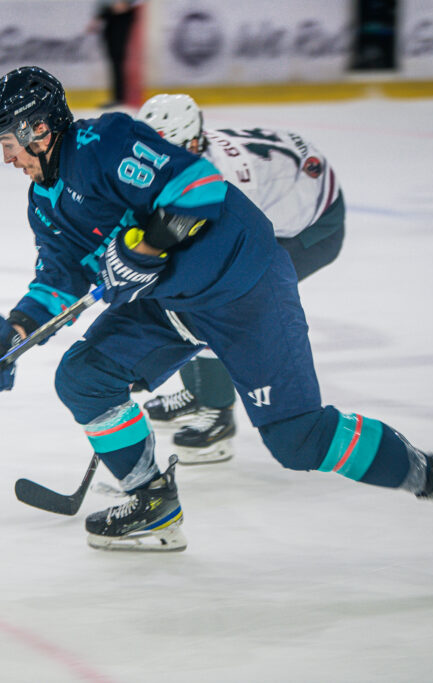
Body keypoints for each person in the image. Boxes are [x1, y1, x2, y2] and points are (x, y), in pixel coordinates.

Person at [0, 65, 433, 560]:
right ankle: (152, 502)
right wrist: (11, 334)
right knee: (84, 377)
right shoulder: (44, 201)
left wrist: (142, 249)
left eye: (8, 143)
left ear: (39, 130)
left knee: (298, 439)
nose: (8, 158)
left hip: (244, 288)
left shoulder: (105, 143)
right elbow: (59, 280)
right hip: (174, 302)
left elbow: (198, 188)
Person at [135, 94, 345, 465]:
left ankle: (217, 415)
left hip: (314, 225)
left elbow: (217, 265)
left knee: (214, 301)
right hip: (287, 183)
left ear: (194, 142)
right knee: (180, 289)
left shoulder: (225, 180)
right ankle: (200, 393)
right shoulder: (185, 156)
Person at [88, 1, 139, 107]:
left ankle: (120, 98)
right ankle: (118, 98)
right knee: (116, 63)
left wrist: (127, 4)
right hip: (112, 22)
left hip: (121, 20)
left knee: (118, 62)